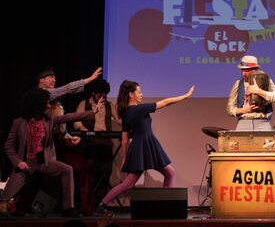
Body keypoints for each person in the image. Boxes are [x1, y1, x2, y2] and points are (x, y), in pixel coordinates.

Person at [1, 88, 102, 218]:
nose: (49, 105)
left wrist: (92, 112)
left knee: (67, 169)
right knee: (3, 202)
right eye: (46, 103)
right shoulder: (19, 122)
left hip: (44, 163)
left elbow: (68, 117)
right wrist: (18, 163)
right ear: (38, 104)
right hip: (25, 165)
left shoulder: (49, 119)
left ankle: (68, 208)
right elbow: (8, 146)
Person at [96, 80, 195, 213]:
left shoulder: (126, 112)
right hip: (145, 145)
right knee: (167, 174)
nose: (141, 95)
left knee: (134, 182)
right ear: (131, 94)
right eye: (139, 92)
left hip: (141, 146)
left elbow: (125, 140)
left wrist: (125, 158)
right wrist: (185, 96)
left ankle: (103, 204)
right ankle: (103, 204)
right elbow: (165, 102)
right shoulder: (139, 109)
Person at [59, 79, 121, 215]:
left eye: (104, 94)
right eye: (100, 94)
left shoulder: (109, 105)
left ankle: (99, 203)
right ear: (93, 93)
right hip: (89, 141)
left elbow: (118, 120)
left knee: (105, 172)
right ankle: (87, 204)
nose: (102, 97)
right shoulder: (84, 104)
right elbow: (76, 121)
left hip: (105, 142)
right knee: (91, 171)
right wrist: (83, 128)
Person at [226, 55, 275, 131]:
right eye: (242, 70)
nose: (244, 73)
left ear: (255, 70)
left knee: (269, 143)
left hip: (262, 123)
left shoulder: (267, 82)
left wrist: (258, 91)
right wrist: (243, 110)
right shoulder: (238, 84)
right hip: (244, 123)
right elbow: (229, 109)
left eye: (247, 70)